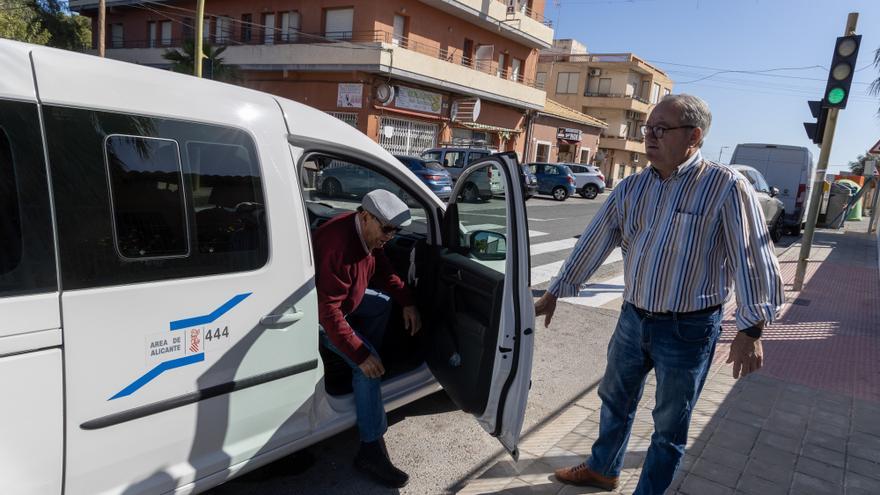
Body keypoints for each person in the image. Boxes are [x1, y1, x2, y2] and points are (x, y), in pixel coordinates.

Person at [535, 94, 784, 494]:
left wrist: (750, 330)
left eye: (660, 129)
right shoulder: (633, 187)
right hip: (634, 319)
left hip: (689, 329)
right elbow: (597, 239)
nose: (649, 136)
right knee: (614, 399)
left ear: (694, 135)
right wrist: (557, 290)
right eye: (648, 129)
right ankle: (604, 468)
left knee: (670, 425)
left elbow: (752, 257)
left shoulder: (726, 187)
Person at [313, 189, 422, 488]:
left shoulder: (369, 236)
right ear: (364, 216)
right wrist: (361, 354)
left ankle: (358, 369)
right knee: (369, 369)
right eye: (386, 229)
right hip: (323, 318)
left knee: (384, 304)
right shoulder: (338, 245)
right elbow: (328, 313)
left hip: (346, 304)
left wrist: (407, 300)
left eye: (395, 230)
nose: (390, 236)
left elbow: (383, 270)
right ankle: (370, 450)